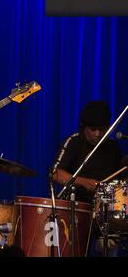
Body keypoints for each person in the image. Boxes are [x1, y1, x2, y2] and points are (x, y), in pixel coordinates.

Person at [50, 100, 125, 256]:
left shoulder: (113, 149)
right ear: (83, 127)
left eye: (102, 130)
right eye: (93, 129)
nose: (97, 134)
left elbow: (121, 181)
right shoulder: (74, 142)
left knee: (110, 247)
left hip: (105, 213)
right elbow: (55, 174)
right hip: (76, 210)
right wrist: (82, 182)